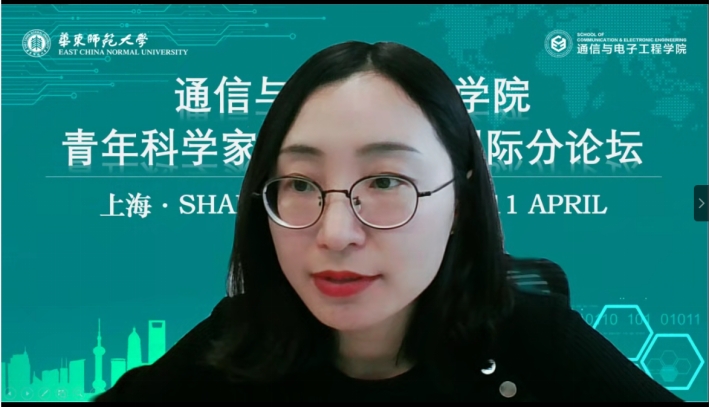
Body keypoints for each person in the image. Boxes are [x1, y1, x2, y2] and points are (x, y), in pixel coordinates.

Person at [93, 41, 683, 402]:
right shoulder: (239, 343)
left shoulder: (531, 341)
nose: (334, 234)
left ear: (459, 201)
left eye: (384, 182)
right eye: (301, 184)